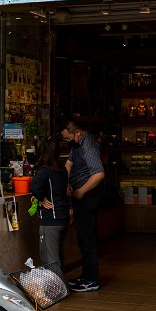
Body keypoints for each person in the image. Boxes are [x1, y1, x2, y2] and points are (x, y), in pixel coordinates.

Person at [62, 119, 104, 292]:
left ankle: (91, 280)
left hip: (88, 197)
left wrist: (81, 191)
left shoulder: (88, 147)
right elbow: (69, 164)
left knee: (87, 239)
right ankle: (85, 275)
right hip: (80, 196)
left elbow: (99, 174)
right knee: (82, 238)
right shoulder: (77, 145)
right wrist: (66, 182)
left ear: (77, 132)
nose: (67, 141)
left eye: (68, 137)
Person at [29, 137, 71, 282]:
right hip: (63, 218)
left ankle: (56, 290)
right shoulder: (62, 170)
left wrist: (40, 198)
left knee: (50, 259)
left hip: (51, 220)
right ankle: (59, 286)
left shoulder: (45, 170)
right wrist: (41, 197)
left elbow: (34, 187)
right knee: (58, 255)